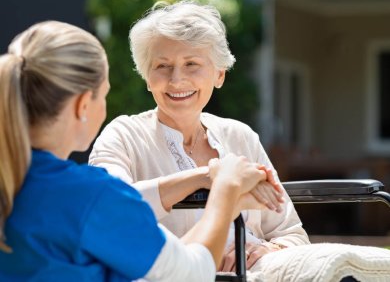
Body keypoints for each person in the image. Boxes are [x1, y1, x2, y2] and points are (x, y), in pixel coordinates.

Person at [0, 20, 282, 281]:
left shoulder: (16, 183)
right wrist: (225, 187)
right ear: (83, 105)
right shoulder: (92, 196)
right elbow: (191, 273)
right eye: (106, 93)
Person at [89, 0, 310, 273]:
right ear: (147, 77)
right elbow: (109, 210)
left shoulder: (240, 137)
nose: (176, 79)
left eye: (191, 64)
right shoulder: (122, 136)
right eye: (162, 66)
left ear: (219, 74)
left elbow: (292, 234)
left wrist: (265, 250)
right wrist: (208, 176)